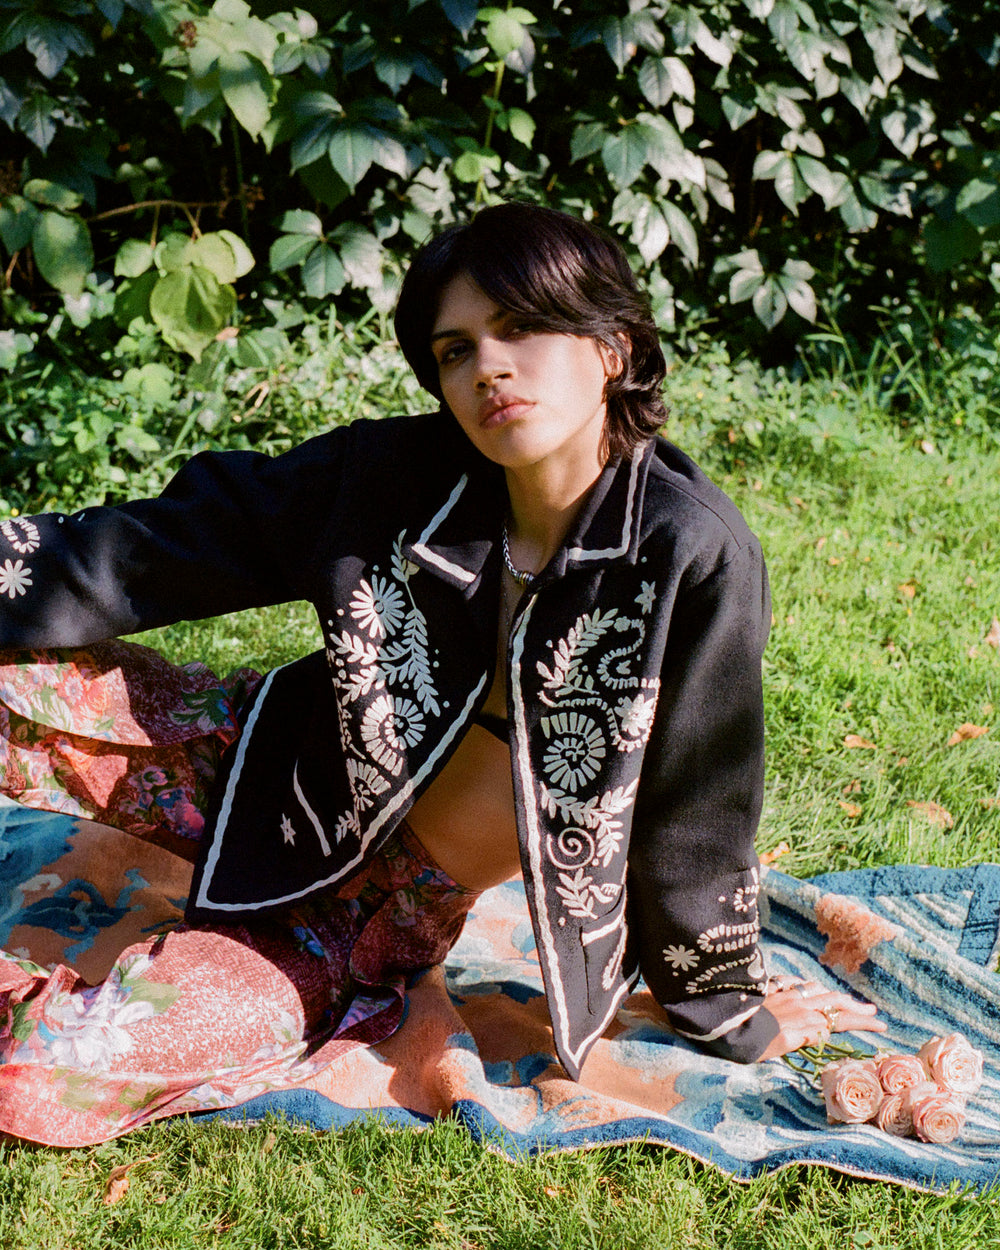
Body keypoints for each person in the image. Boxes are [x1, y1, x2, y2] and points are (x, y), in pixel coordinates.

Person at [0, 202, 883, 1144]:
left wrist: (724, 1003)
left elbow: (699, 801)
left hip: (354, 918)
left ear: (614, 348)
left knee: (41, 1074)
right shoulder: (397, 473)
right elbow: (172, 541)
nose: (488, 367)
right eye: (455, 350)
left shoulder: (689, 553)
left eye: (521, 328)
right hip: (259, 761)